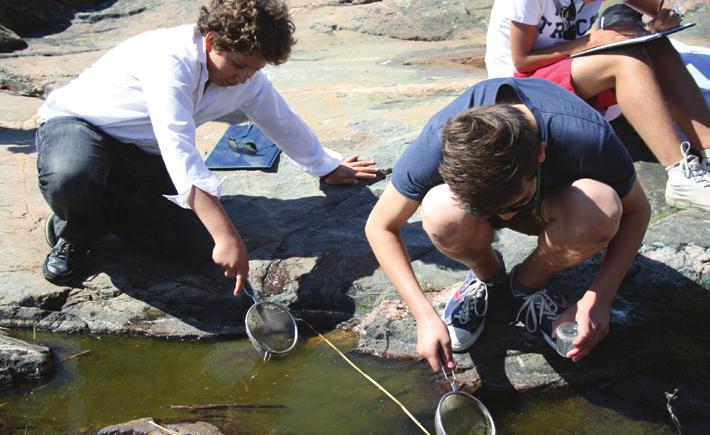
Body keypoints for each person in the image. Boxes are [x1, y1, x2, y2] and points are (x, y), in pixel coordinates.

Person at [36, 0, 379, 291]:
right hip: (81, 127)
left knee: (191, 249)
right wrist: (227, 234)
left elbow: (281, 120)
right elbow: (178, 146)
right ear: (212, 40)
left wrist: (326, 165)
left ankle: (103, 204)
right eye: (239, 66)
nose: (243, 78)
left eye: (254, 70)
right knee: (73, 175)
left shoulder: (247, 77)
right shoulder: (169, 58)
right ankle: (75, 229)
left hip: (141, 153)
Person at [365, 77, 651, 371]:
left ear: (541, 153)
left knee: (600, 207)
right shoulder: (438, 143)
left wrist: (599, 298)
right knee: (441, 212)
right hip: (489, 213)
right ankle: (487, 276)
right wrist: (424, 315)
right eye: (491, 211)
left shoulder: (584, 136)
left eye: (513, 204)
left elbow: (637, 211)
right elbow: (380, 226)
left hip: (557, 207)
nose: (506, 220)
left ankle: (528, 284)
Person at [485, 0, 710, 211]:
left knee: (656, 43)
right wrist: (593, 41)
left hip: (569, 63)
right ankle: (682, 175)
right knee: (626, 60)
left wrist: (668, 15)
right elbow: (522, 60)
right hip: (519, 85)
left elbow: (661, 7)